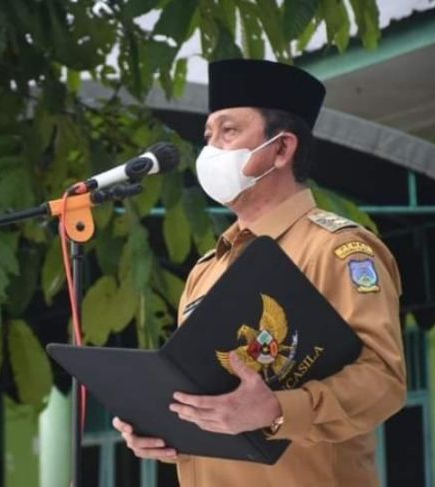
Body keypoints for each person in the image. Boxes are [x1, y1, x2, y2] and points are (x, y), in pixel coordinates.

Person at [113, 59, 406, 486]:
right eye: (208, 136)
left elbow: (383, 381)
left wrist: (279, 409)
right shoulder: (206, 269)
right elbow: (209, 396)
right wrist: (163, 427)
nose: (212, 150)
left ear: (282, 149)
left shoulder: (336, 250)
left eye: (229, 131)